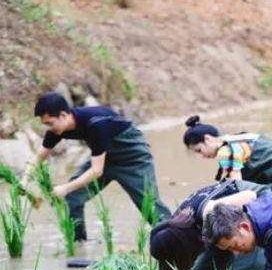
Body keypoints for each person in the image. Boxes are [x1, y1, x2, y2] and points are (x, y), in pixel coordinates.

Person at [30, 92, 170, 240]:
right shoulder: (57, 129)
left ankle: (177, 240)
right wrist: (24, 181)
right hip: (104, 157)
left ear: (63, 115)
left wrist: (64, 188)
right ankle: (78, 245)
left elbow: (96, 171)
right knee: (72, 198)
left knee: (150, 206)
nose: (48, 128)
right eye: (45, 124)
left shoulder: (96, 123)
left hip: (133, 158)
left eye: (50, 123)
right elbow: (40, 155)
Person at [182, 115, 272, 192]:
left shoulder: (225, 150)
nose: (202, 156)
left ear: (208, 139)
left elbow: (236, 185)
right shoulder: (239, 137)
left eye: (199, 150)